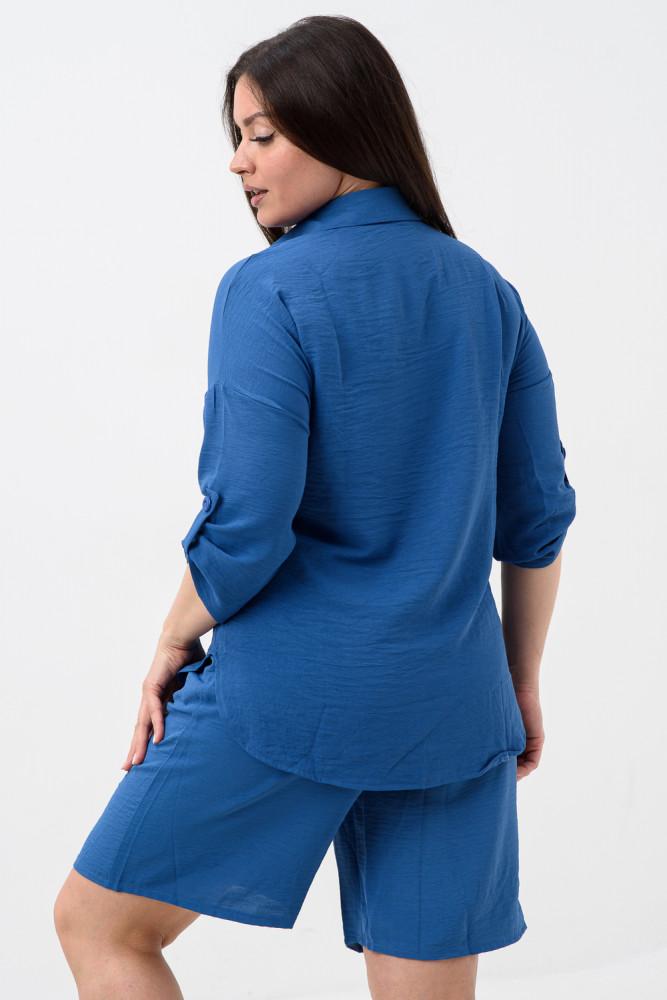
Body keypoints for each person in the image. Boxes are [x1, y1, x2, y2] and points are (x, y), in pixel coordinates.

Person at [54, 14, 576, 1000]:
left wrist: (172, 637)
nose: (238, 162)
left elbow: (250, 519)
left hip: (291, 694)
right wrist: (517, 684)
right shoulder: (486, 291)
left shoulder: (269, 289)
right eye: (236, 137)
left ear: (342, 126)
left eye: (262, 134)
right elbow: (537, 516)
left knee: (99, 926)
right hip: (453, 707)